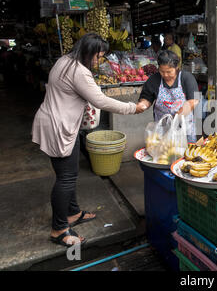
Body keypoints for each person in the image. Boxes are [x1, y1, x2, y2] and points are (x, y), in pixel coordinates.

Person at [31, 33, 147, 248]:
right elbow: (100, 100)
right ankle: (59, 229)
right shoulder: (79, 72)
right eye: (98, 56)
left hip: (58, 123)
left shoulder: (64, 60)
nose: (98, 61)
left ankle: (73, 213)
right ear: (88, 52)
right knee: (65, 178)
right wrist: (133, 108)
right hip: (59, 127)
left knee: (69, 173)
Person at [138, 50, 199, 143]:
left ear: (177, 68)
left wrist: (177, 117)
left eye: (169, 71)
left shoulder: (186, 78)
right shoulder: (154, 79)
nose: (165, 75)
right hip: (162, 129)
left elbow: (193, 101)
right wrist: (143, 105)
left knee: (186, 154)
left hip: (184, 129)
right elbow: (147, 98)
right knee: (164, 154)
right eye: (162, 71)